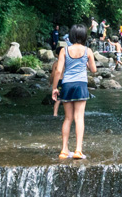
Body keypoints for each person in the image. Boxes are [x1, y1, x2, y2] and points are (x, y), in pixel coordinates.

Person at [51, 24, 97, 160]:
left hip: (67, 84)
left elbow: (59, 71)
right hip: (81, 85)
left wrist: (54, 88)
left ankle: (64, 150)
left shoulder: (64, 51)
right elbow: (94, 70)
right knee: (79, 118)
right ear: (84, 36)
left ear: (71, 36)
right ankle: (78, 150)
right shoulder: (88, 51)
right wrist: (86, 63)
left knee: (68, 118)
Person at [49, 46, 64, 117]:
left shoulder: (55, 64)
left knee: (58, 100)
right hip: (67, 82)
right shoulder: (67, 63)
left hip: (58, 82)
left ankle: (55, 114)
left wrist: (50, 82)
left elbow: (52, 75)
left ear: (56, 55)